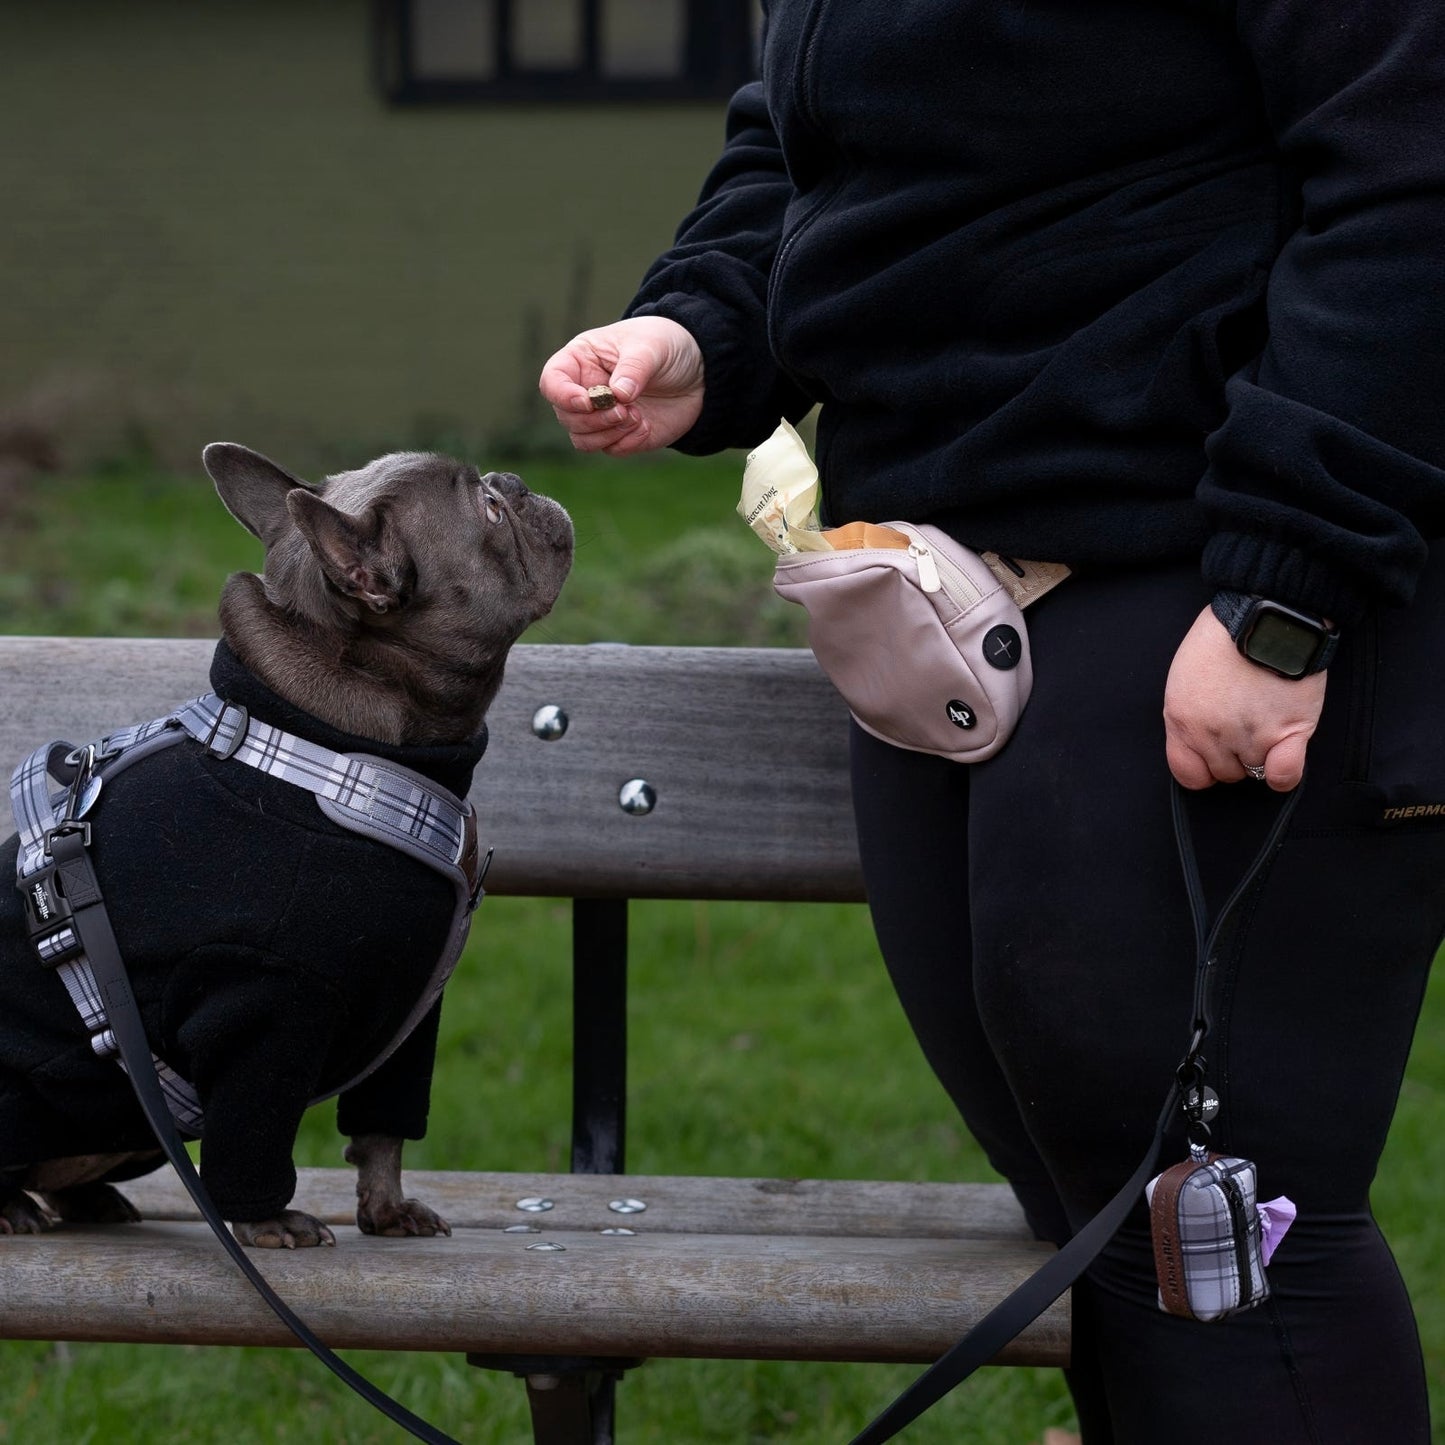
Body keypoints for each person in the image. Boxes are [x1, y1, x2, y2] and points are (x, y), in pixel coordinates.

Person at [538, 5, 1445, 1440]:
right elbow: (810, 133)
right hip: (939, 600)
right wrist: (704, 324)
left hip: (1213, 598)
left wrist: (1286, 588)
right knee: (1091, 1224)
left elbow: (1413, 171)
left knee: (1214, 1257)